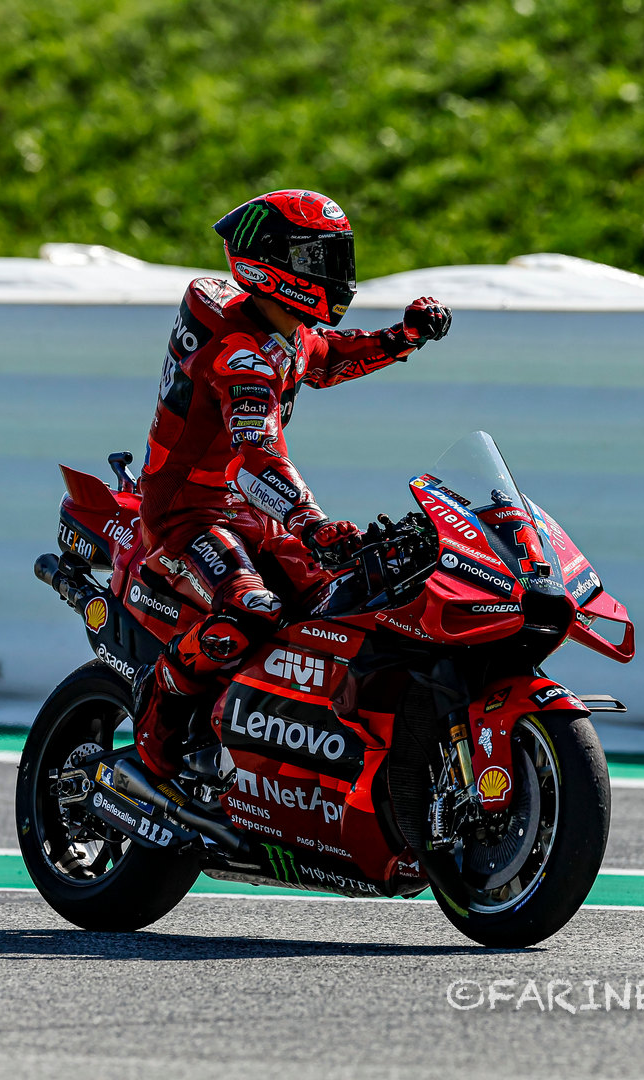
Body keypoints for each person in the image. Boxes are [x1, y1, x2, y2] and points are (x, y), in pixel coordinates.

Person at [131, 189, 452, 781]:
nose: (334, 275)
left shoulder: (284, 328)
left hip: (246, 511)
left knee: (341, 597)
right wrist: (311, 523)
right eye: (316, 260)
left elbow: (325, 358)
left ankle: (278, 740)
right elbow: (255, 459)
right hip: (188, 511)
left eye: (337, 258)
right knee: (250, 608)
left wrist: (401, 337)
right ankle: (156, 741)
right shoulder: (240, 353)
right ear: (267, 262)